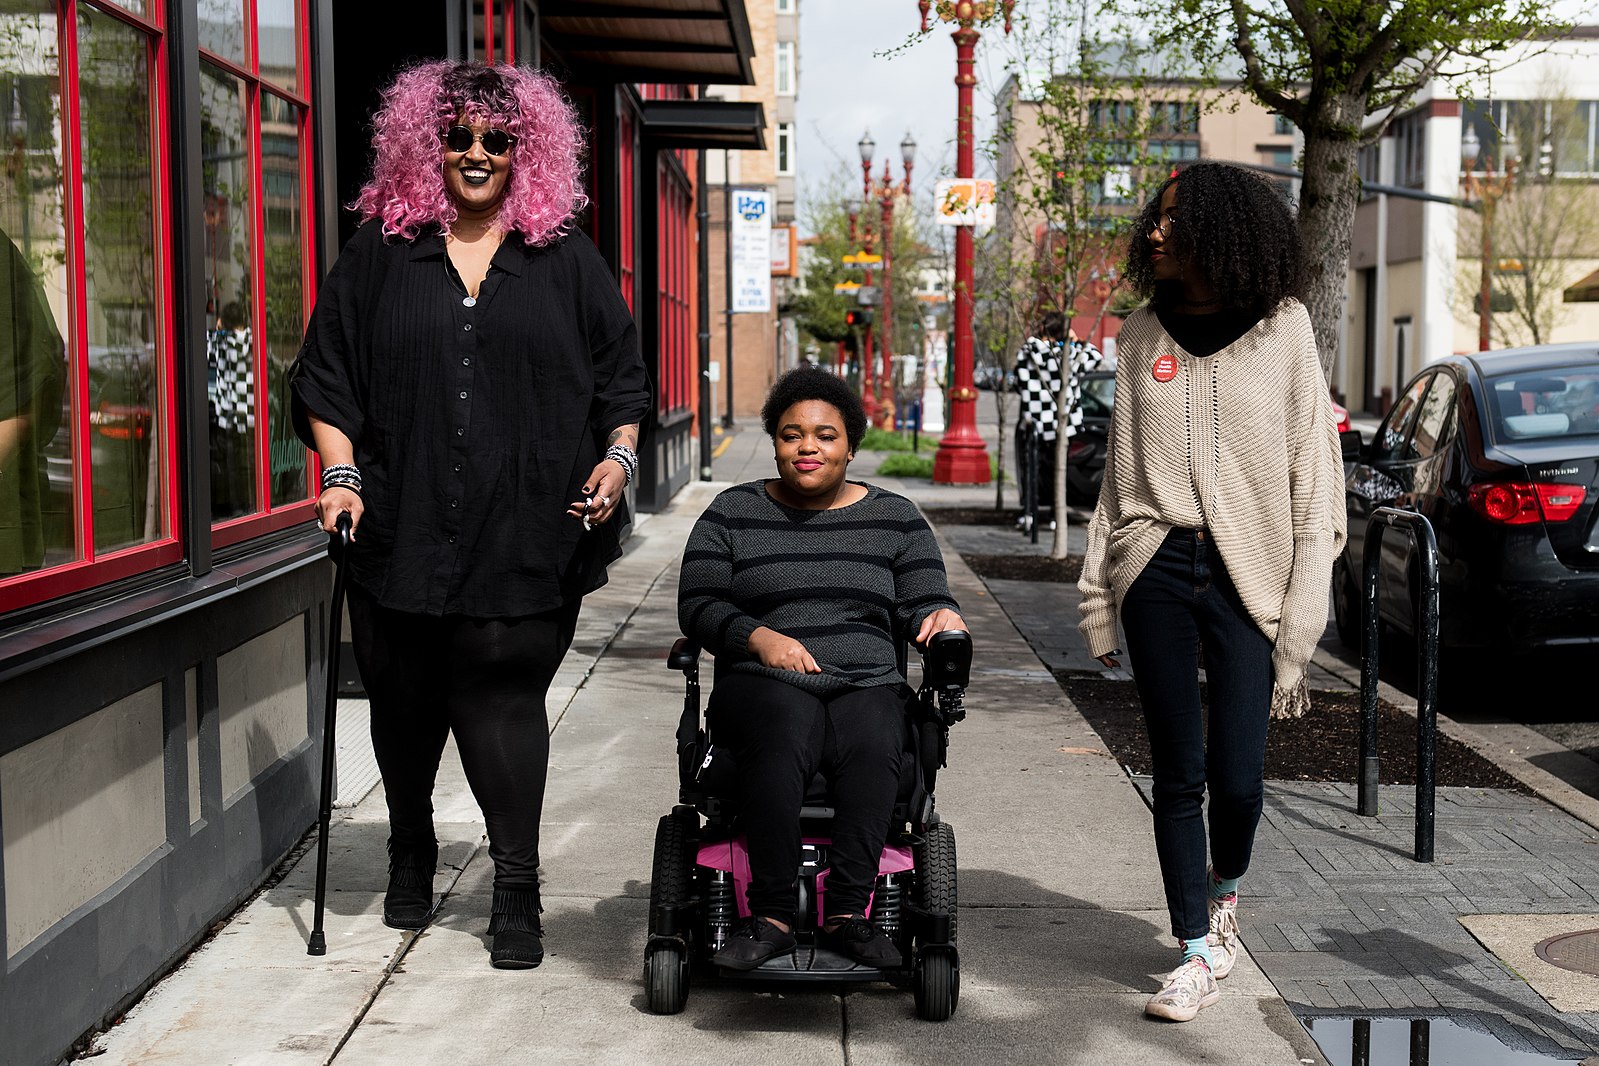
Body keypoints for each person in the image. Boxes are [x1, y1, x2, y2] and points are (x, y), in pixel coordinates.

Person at [289, 61, 649, 970]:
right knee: (404, 706)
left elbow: (622, 379)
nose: (478, 153)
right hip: (396, 522)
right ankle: (411, 845)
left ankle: (517, 886)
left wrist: (617, 458)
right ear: (428, 146)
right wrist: (338, 471)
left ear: (527, 151)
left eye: (498, 139)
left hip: (528, 525)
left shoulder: (562, 254)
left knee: (502, 700)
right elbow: (325, 374)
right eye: (459, 138)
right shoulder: (379, 251)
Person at [1076, 163, 1345, 1021]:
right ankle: (1193, 948)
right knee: (1177, 772)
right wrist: (1096, 596)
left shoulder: (1285, 331)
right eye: (1151, 221)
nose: (1151, 234)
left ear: (1223, 233)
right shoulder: (1138, 335)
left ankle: (1225, 893)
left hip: (1248, 574)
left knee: (1237, 782)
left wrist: (1300, 619)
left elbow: (1315, 481)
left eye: (1170, 222)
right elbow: (1118, 488)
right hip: (1154, 565)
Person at [678, 367, 968, 971]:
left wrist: (942, 618)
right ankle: (774, 915)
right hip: (762, 682)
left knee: (872, 736)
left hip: (866, 682)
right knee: (783, 728)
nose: (808, 447)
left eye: (825, 435)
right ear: (775, 443)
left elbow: (925, 598)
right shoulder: (733, 512)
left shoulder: (897, 518)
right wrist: (757, 638)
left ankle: (848, 914)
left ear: (851, 445)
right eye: (791, 435)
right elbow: (699, 604)